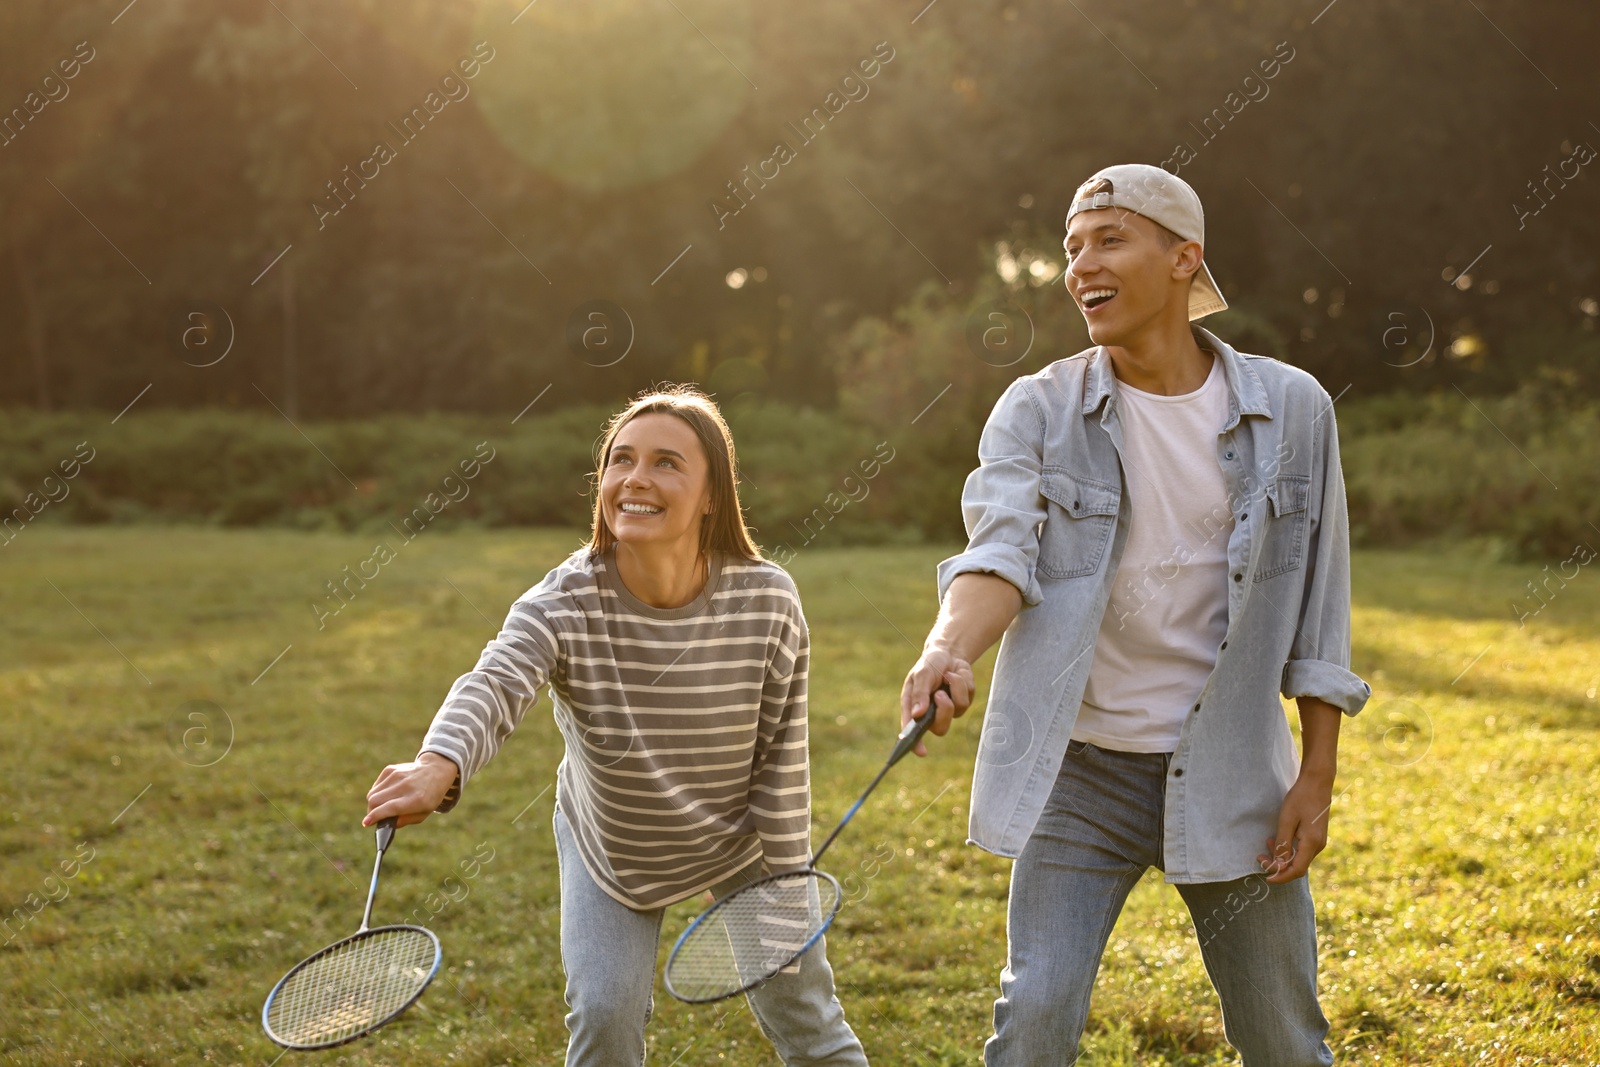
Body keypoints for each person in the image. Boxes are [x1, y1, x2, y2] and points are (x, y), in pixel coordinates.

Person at [898, 163, 1371, 1065]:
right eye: (1072, 248)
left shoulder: (1294, 408)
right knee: (1033, 1018)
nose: (1081, 266)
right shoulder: (1038, 408)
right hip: (1078, 771)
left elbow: (1321, 600)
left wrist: (1317, 773)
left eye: (1109, 239)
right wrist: (947, 646)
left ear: (1184, 258)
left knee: (1283, 1038)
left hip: (1234, 768)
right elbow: (999, 553)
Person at [364, 384, 869, 1067]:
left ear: (712, 493)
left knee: (810, 1022)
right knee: (605, 1018)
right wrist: (438, 762)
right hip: (614, 847)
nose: (636, 478)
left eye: (666, 462)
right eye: (621, 459)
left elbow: (781, 765)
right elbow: (496, 680)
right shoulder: (566, 598)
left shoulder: (767, 598)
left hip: (740, 841)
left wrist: (784, 896)